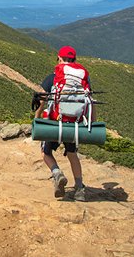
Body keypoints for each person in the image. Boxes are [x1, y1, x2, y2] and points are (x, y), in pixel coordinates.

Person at [34, 45, 93, 201]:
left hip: (55, 123)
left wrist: (37, 118)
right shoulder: (82, 78)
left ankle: (57, 173)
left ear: (58, 58)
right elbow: (89, 101)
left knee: (46, 152)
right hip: (74, 123)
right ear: (74, 60)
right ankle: (79, 188)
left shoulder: (53, 77)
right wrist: (91, 122)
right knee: (72, 154)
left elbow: (41, 100)